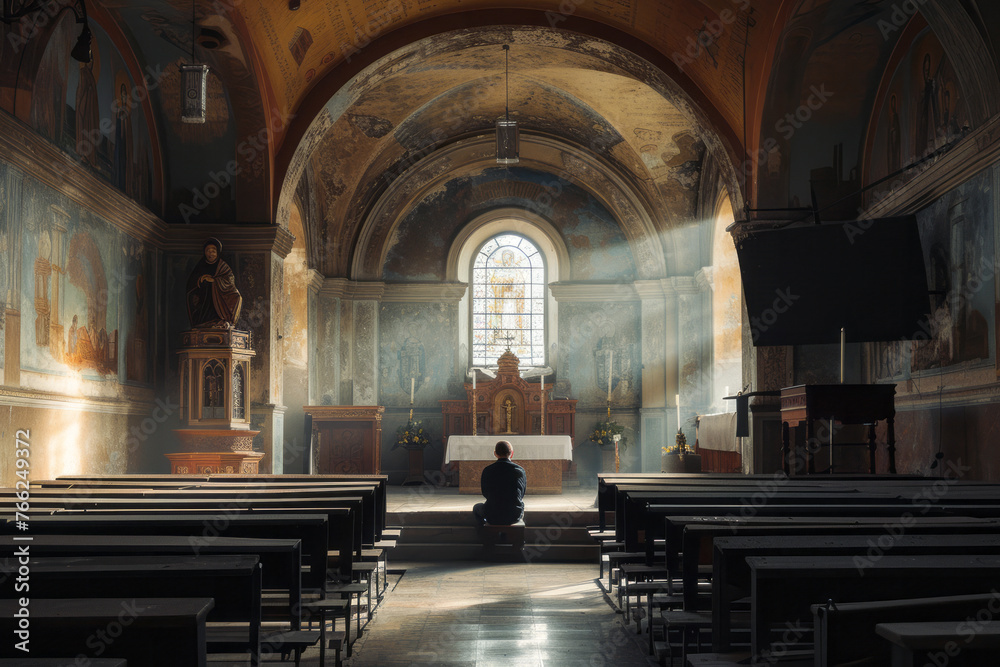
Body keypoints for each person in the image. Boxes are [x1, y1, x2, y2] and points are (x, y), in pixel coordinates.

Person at [186, 237, 243, 329]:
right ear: (204, 252)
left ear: (217, 253)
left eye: (213, 251)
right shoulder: (200, 266)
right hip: (203, 305)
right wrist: (200, 279)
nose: (211, 254)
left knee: (237, 296)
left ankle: (221, 321)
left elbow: (230, 281)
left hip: (219, 305)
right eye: (208, 251)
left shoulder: (222, 266)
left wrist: (214, 281)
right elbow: (191, 285)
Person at [473, 440, 526, 526]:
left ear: (495, 453)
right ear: (511, 453)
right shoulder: (519, 471)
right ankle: (515, 537)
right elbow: (521, 494)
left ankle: (484, 534)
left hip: (492, 515)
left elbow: (485, 493)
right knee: (521, 504)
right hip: (513, 515)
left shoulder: (488, 470)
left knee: (476, 508)